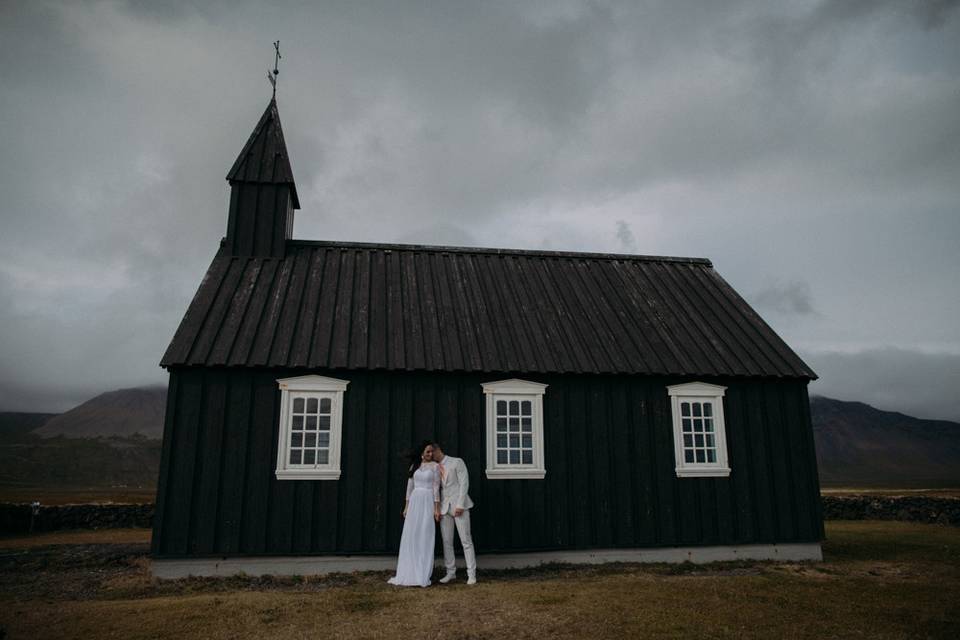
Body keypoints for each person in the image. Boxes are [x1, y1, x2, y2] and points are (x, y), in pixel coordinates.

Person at [387, 441, 441, 587]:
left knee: (425, 534)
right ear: (422, 453)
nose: (430, 454)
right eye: (428, 452)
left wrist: (436, 508)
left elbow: (436, 488)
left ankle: (422, 572)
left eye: (431, 452)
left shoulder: (436, 467)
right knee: (412, 534)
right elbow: (409, 487)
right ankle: (409, 570)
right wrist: (406, 507)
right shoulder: (414, 466)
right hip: (415, 501)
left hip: (427, 500)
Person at [432, 441, 477, 585]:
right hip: (444, 508)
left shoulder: (457, 462)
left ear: (438, 450)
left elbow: (464, 483)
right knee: (447, 542)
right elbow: (436, 490)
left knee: (466, 540)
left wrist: (460, 504)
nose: (430, 455)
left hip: (459, 507)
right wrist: (437, 509)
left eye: (432, 452)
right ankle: (450, 572)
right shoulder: (435, 468)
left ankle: (472, 574)